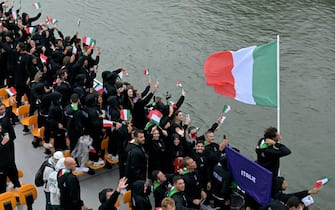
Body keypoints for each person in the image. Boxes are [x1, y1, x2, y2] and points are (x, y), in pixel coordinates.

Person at [0, 103, 20, 192]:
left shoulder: (7, 113)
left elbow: (11, 113)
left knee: (12, 164)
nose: (3, 111)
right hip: (1, 162)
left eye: (3, 109)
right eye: (1, 109)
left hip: (9, 143)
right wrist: (2, 144)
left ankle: (16, 185)